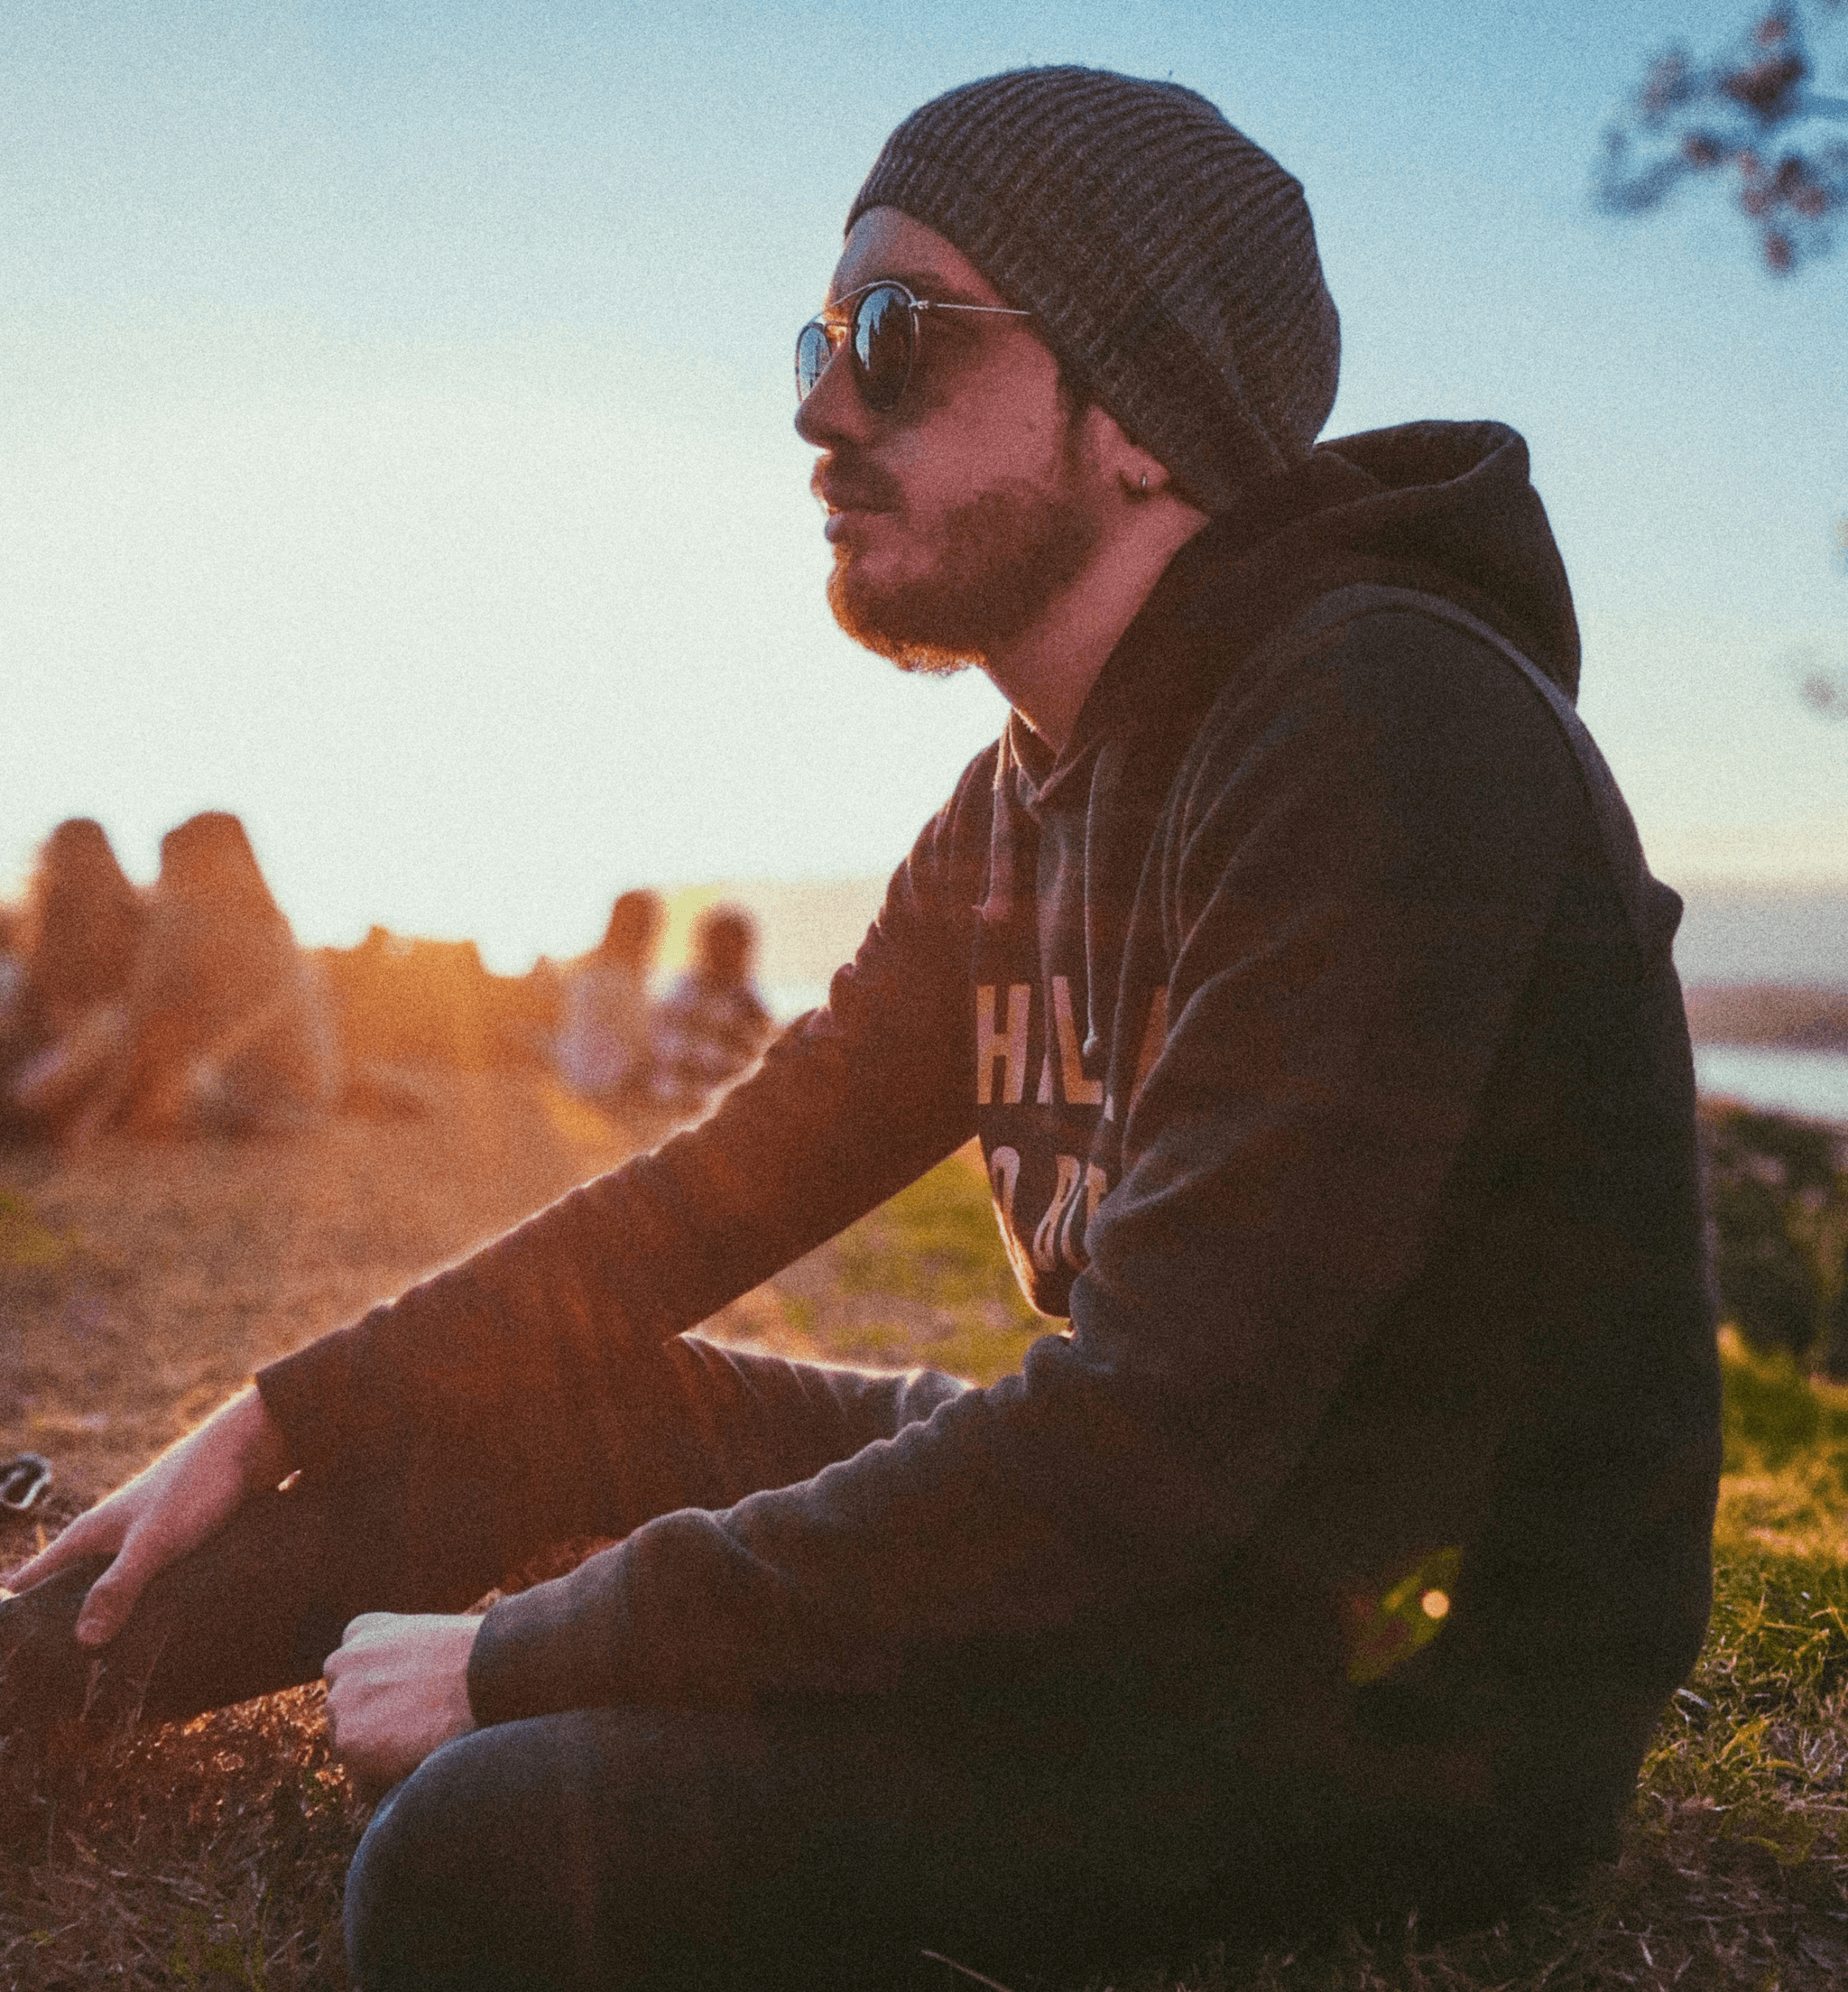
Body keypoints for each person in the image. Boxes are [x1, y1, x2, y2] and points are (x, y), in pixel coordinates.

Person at [1, 66, 1719, 1992]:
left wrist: (515, 1654)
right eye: (819, 340)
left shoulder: (1385, 722)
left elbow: (1148, 1450)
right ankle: (20, 1687)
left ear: (1140, 413)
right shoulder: (1026, 790)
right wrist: (276, 1412)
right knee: (565, 1380)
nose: (821, 406)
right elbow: (709, 1192)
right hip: (1160, 1562)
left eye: (895, 339)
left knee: (487, 1854)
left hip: (1387, 1696)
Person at [68, 811, 338, 1139]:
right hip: (302, 1095)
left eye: (172, 864)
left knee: (115, 1025)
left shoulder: (183, 924)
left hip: (238, 1089)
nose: (164, 877)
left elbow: (142, 1019)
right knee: (125, 1028)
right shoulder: (271, 921)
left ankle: (30, 1103)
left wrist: (102, 1110)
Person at [3, 817, 147, 1138]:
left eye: (87, 856)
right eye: (69, 857)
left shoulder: (137, 921)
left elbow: (141, 1007)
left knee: (109, 1026)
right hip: (56, 1050)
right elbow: (32, 1008)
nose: (79, 868)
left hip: (115, 1052)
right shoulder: (41, 927)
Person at [647, 903, 772, 1115]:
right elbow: (656, 1050)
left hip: (705, 1119)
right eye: (716, 945)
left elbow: (747, 1075)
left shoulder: (749, 1006)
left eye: (731, 948)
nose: (721, 955)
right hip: (660, 1108)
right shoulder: (681, 989)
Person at [556, 889, 666, 1108]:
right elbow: (642, 1041)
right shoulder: (621, 979)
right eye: (650, 926)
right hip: (607, 1085)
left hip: (573, 1073)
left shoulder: (589, 967)